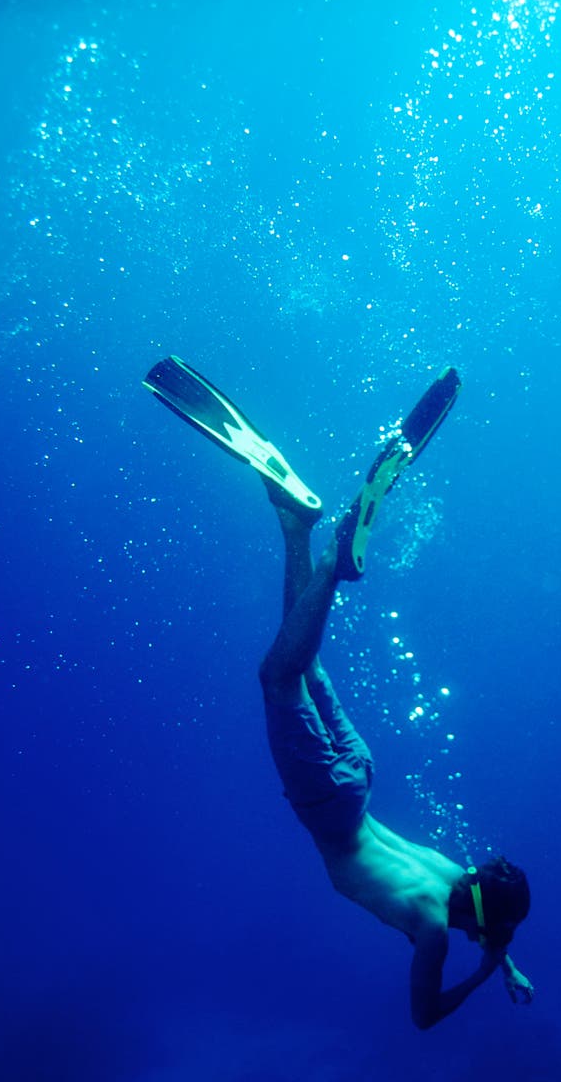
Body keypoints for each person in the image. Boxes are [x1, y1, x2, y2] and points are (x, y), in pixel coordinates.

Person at [144, 356, 535, 1028]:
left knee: (304, 664)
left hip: (359, 779)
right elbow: (424, 1016)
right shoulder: (435, 927)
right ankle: (330, 562)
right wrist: (485, 972)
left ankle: (294, 523)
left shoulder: (457, 875)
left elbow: (491, 917)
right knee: (277, 676)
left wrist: (507, 960)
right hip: (329, 805)